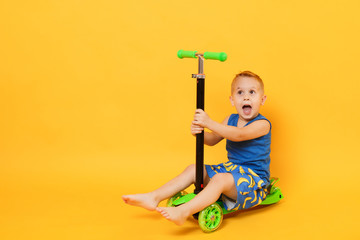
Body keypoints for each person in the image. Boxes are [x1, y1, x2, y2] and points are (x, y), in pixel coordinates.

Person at [122, 71, 271, 226]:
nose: (246, 97)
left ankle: (183, 211)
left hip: (254, 181)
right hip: (232, 171)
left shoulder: (262, 124)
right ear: (232, 100)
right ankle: (154, 197)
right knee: (194, 169)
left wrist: (209, 122)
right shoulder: (230, 119)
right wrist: (199, 133)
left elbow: (239, 135)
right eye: (240, 92)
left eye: (252, 92)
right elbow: (213, 139)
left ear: (262, 99)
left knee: (220, 179)